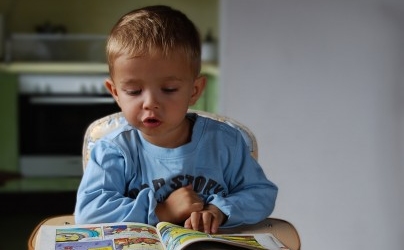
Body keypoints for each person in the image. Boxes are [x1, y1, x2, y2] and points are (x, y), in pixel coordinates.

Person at [74, 5, 278, 234]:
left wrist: (219, 210)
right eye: (133, 91)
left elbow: (261, 194)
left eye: (169, 89)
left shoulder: (225, 143)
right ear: (115, 93)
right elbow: (89, 211)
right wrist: (163, 210)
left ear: (194, 90)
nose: (150, 103)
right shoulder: (114, 150)